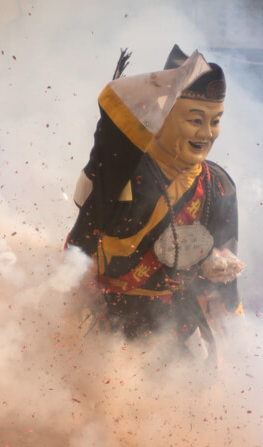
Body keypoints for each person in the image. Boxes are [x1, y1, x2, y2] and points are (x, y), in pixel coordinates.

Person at [65, 45, 243, 358]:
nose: (207, 133)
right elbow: (83, 242)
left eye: (215, 121)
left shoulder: (219, 184)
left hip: (179, 324)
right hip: (111, 317)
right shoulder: (124, 171)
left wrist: (216, 266)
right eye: (195, 119)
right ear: (165, 116)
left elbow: (224, 281)